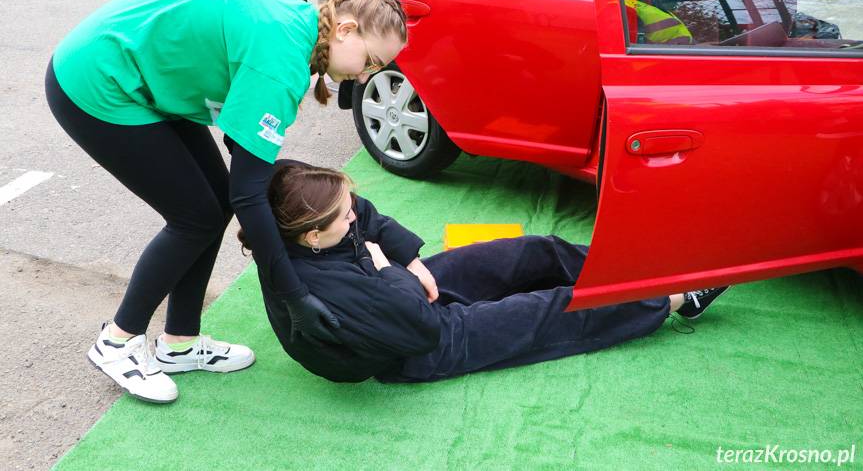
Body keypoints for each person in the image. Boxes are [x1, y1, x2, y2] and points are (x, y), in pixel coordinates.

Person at [45, 0, 407, 403]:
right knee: (194, 217)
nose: (366, 77)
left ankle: (179, 343)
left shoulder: (300, 25)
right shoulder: (279, 63)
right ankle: (118, 341)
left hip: (140, 70)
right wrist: (294, 294)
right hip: (96, 80)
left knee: (212, 207)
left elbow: (243, 160)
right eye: (370, 62)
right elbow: (248, 193)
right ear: (345, 30)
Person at [240, 162, 729, 383]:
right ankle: (674, 299)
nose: (353, 214)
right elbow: (419, 324)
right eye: (342, 216)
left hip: (395, 288)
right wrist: (389, 267)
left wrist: (411, 262)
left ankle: (646, 264)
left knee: (531, 252)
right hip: (413, 344)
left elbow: (367, 216)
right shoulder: (322, 289)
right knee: (548, 311)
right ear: (312, 236)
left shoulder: (302, 205)